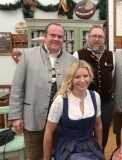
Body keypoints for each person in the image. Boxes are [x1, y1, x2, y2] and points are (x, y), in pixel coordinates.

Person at [8, 23, 77, 160]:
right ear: (45, 36)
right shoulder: (28, 56)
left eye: (60, 36)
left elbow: (73, 90)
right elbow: (17, 88)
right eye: (52, 35)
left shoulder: (72, 60)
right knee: (35, 156)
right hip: (33, 118)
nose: (56, 39)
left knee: (61, 155)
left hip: (61, 122)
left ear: (63, 39)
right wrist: (16, 116)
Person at [43, 60, 105, 160]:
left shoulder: (95, 96)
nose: (82, 80)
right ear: (70, 79)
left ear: (90, 76)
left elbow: (98, 124)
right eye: (77, 77)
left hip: (90, 146)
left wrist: (99, 147)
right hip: (68, 149)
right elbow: (49, 133)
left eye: (85, 76)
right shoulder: (60, 100)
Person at [73, 25, 114, 152]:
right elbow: (72, 79)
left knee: (104, 130)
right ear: (88, 38)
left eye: (100, 36)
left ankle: (100, 152)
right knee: (85, 130)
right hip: (84, 102)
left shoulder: (111, 55)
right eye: (94, 36)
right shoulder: (78, 54)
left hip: (106, 103)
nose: (97, 39)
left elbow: (113, 76)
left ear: (104, 39)